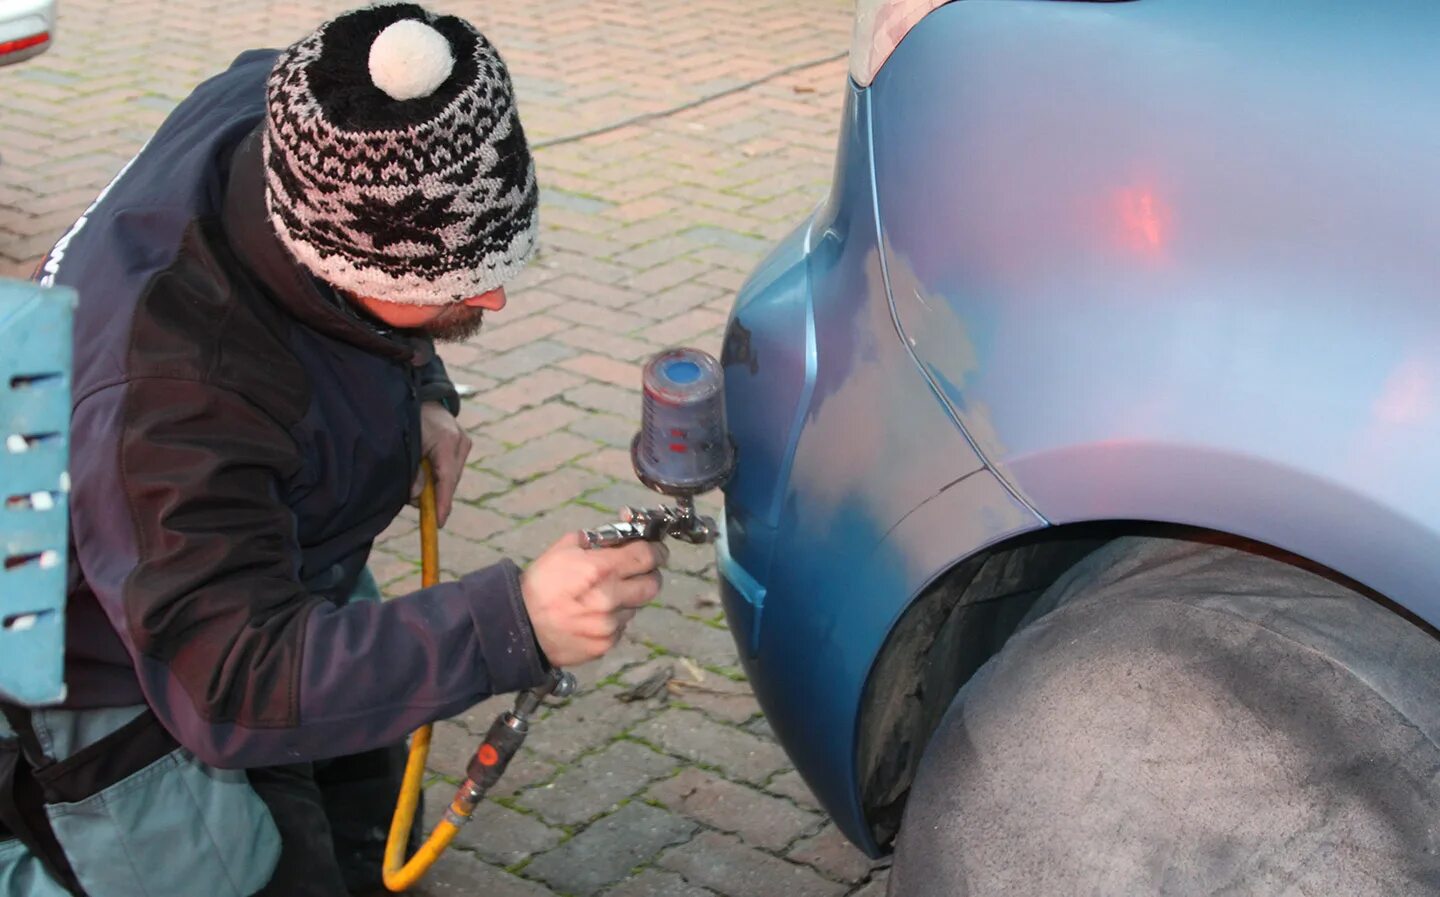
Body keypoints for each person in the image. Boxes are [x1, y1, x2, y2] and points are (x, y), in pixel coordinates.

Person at [1, 4, 666, 896]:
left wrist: (424, 388)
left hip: (249, 548)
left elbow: (389, 240)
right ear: (341, 264)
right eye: (454, 286)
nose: (495, 298)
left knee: (364, 792)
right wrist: (516, 621)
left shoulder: (300, 108)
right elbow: (232, 684)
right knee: (256, 876)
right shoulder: (173, 397)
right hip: (96, 655)